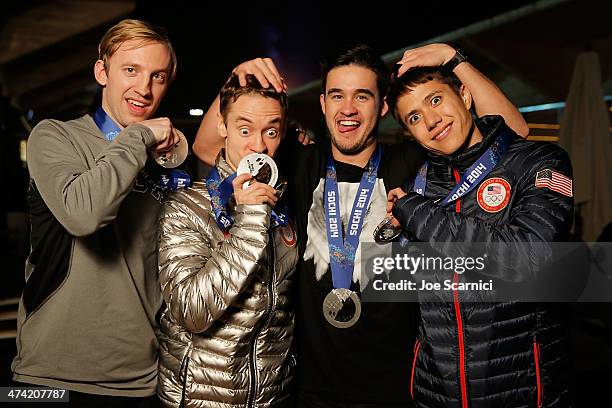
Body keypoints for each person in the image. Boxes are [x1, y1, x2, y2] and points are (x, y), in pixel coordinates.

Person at [192, 43, 528, 406]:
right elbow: (208, 147)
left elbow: (511, 138)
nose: (348, 109)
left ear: (383, 106)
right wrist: (237, 76)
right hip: (310, 390)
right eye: (337, 95)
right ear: (323, 104)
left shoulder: (414, 162)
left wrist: (453, 59)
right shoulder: (297, 159)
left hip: (398, 387)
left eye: (362, 96)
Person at [12, 19, 181, 407]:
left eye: (158, 76)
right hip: (47, 377)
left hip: (141, 380)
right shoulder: (54, 136)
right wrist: (139, 136)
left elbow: (216, 141)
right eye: (131, 70)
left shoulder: (162, 158)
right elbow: (85, 214)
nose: (144, 88)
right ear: (101, 72)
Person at [386, 64, 574, 407]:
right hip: (437, 392)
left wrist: (416, 213)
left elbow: (527, 259)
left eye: (436, 99)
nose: (431, 120)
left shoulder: (540, 161)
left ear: (465, 95)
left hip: (521, 391)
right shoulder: (421, 183)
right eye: (414, 117)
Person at [156, 74, 298, 407]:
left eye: (271, 131)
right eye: (245, 129)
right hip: (201, 399)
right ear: (223, 126)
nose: (259, 147)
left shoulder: (285, 206)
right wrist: (250, 218)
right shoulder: (187, 205)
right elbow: (191, 311)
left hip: (272, 399)